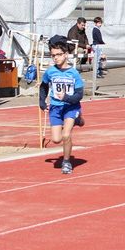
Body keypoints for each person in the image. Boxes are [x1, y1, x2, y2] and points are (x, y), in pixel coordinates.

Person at [40, 36, 85, 175]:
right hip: (55, 107)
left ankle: (66, 162)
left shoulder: (73, 73)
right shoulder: (50, 72)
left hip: (71, 106)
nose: (55, 58)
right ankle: (77, 120)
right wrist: (42, 101)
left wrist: (67, 97)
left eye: (58, 55)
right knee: (56, 139)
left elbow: (80, 94)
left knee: (66, 135)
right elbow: (43, 86)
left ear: (66, 54)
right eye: (53, 56)